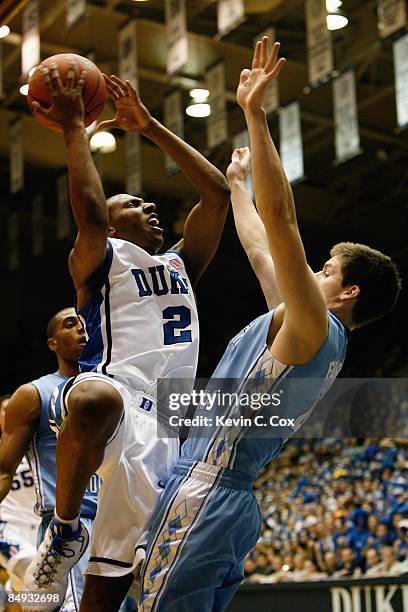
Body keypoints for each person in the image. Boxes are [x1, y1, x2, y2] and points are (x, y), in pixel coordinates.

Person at [138, 38, 401, 611]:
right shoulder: (307, 329)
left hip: (207, 491)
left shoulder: (314, 325)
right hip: (227, 499)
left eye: (325, 268)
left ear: (347, 292)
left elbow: (281, 221)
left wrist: (254, 115)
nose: (312, 269)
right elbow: (261, 248)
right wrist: (236, 189)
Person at [24, 63, 230, 611]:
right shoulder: (101, 255)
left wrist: (150, 126)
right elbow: (89, 214)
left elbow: (216, 195)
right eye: (133, 204)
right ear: (114, 227)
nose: (149, 206)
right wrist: (73, 130)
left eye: (148, 202)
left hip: (167, 427)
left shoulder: (183, 263)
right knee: (91, 396)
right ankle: (65, 529)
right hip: (115, 396)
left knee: (107, 585)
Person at [0, 308, 100, 610]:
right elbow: (4, 470)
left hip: (122, 524)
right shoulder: (34, 394)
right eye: (70, 325)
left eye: (85, 324)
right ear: (52, 343)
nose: (82, 330)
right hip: (70, 526)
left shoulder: (122, 386)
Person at [0, 399, 39, 594]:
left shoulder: (43, 447)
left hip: (46, 527)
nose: (10, 414)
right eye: (5, 410)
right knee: (33, 572)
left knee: (42, 590)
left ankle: (13, 592)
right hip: (9, 529)